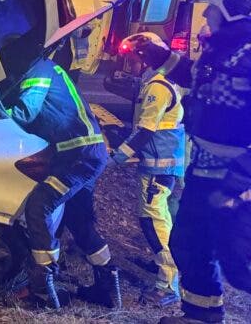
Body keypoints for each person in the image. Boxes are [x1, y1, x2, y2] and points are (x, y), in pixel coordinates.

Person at [124, 0, 251, 324]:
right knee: (189, 243)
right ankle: (201, 317)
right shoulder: (224, 50)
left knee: (240, 261)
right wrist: (157, 55)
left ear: (237, 4)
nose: (207, 15)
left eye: (213, 7)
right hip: (205, 171)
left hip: (239, 178)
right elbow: (196, 77)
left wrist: (240, 182)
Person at [3, 57, 120, 309]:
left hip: (77, 157)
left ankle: (43, 290)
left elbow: (25, 112)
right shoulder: (48, 67)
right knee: (79, 221)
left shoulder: (37, 69)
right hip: (83, 154)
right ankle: (107, 286)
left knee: (39, 206)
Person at [109, 32, 186, 307]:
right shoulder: (161, 82)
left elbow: (144, 132)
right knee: (162, 219)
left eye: (131, 58)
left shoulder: (157, 87)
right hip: (163, 164)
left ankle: (167, 285)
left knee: (154, 221)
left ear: (145, 58)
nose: (127, 63)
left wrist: (116, 158)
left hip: (158, 166)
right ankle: (167, 269)